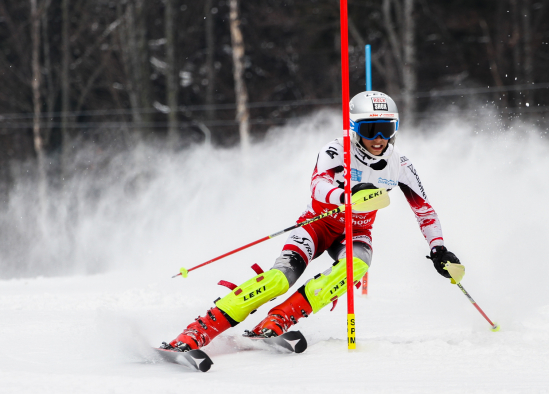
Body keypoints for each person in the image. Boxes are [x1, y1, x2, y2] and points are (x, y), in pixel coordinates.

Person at [160, 91, 461, 351]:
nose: (379, 138)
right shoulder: (336, 149)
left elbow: (425, 211)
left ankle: (280, 318)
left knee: (357, 265)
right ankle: (199, 330)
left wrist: (438, 249)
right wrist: (346, 195)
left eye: (387, 128)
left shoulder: (401, 165)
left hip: (355, 233)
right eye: (371, 129)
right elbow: (317, 184)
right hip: (317, 225)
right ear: (357, 128)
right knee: (280, 279)